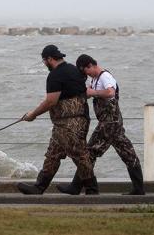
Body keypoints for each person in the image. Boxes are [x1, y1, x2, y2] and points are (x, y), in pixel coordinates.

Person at [57, 53, 145, 195]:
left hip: (109, 123)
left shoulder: (105, 77)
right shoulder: (96, 79)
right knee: (128, 153)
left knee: (89, 152)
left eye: (85, 71)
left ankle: (76, 187)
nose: (86, 75)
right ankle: (139, 189)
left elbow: (110, 92)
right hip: (112, 124)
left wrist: (93, 93)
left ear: (90, 65)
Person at [17, 44, 98, 195]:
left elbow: (50, 101)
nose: (45, 64)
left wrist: (32, 115)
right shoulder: (74, 70)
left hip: (69, 123)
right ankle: (39, 187)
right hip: (76, 120)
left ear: (49, 59)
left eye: (44, 61)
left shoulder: (55, 75)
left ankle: (92, 190)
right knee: (53, 154)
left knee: (80, 156)